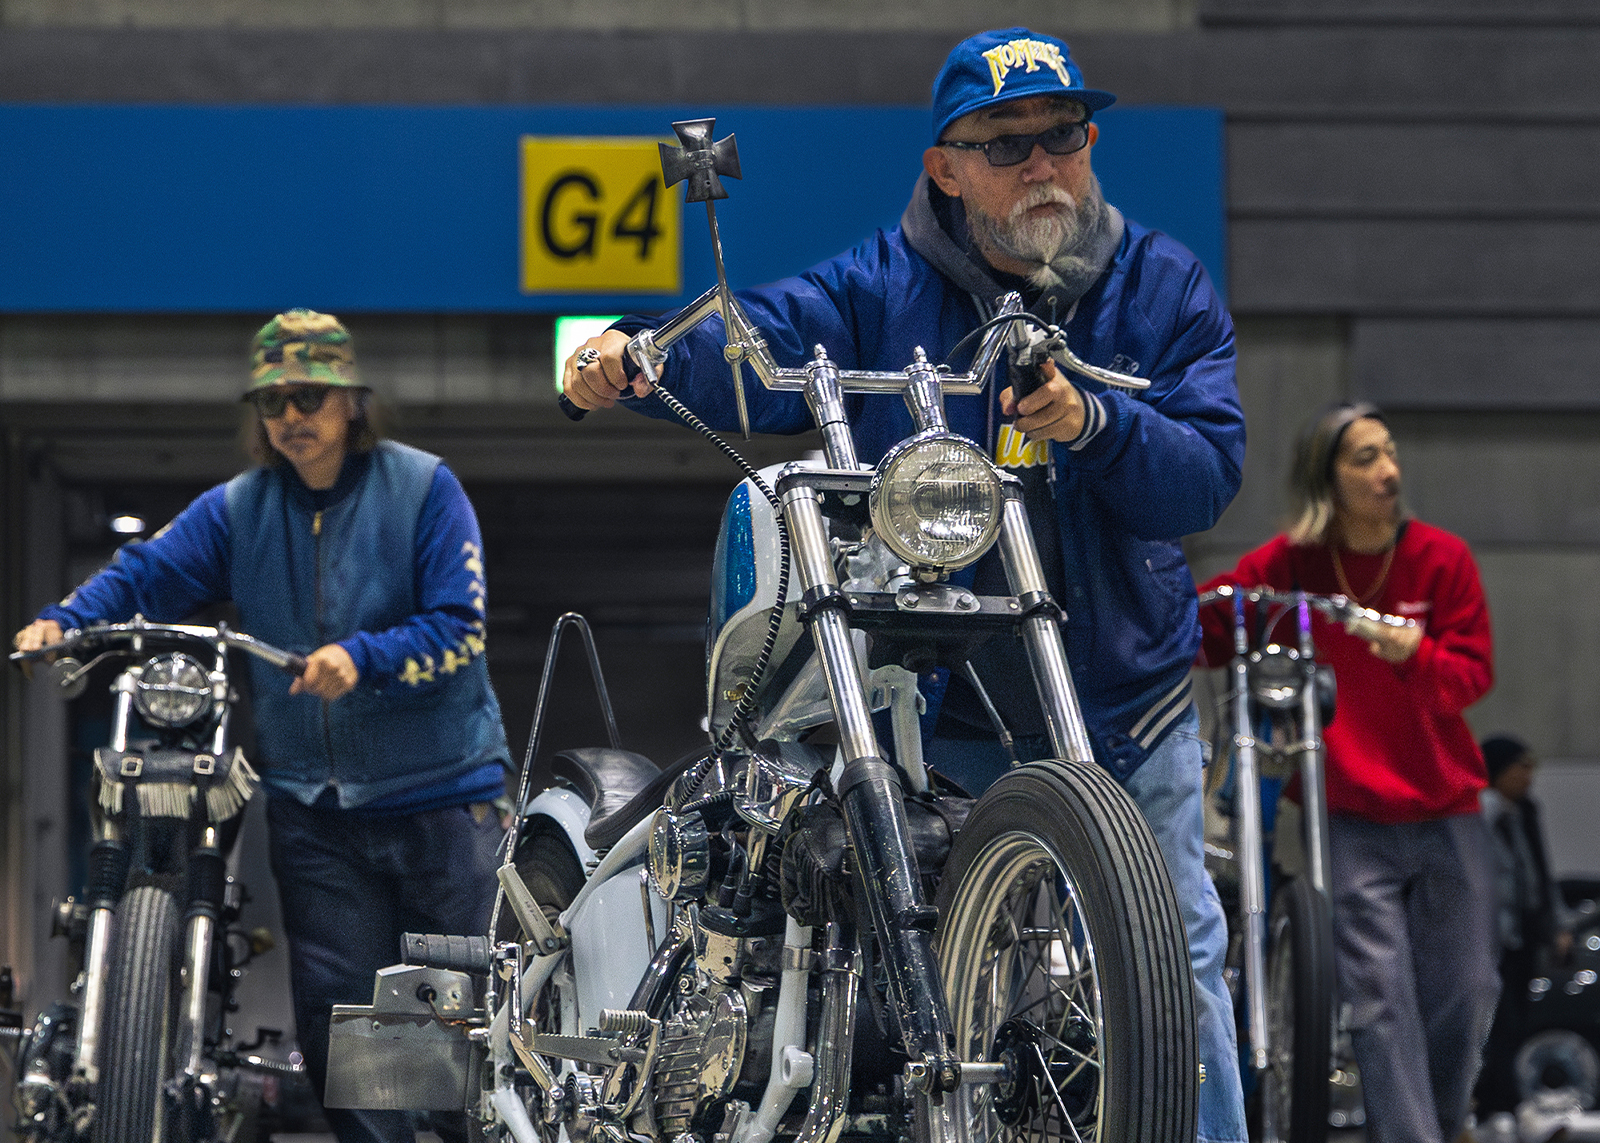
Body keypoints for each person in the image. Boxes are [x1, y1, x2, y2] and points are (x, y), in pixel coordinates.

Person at [564, 27, 1249, 1143]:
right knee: (928, 981)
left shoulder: (1159, 284)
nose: (1043, 163)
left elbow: (1207, 473)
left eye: (1064, 135)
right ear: (946, 167)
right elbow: (760, 336)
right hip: (946, 708)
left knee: (1172, 965)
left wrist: (1095, 420)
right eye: (1006, 144)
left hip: (1124, 701)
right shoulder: (881, 286)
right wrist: (637, 351)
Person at [12, 308, 511, 1143]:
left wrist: (361, 658)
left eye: (309, 395)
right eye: (272, 401)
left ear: (352, 400)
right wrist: (66, 620)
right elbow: (149, 572)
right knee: (349, 1028)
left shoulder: (425, 488)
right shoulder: (240, 509)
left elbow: (461, 629)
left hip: (439, 800)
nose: (290, 415)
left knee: (453, 1028)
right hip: (317, 811)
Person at [1197, 401, 1499, 1143]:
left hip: (1447, 809)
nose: (1388, 470)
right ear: (1325, 477)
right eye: (1365, 457)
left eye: (1390, 452)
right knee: (1378, 999)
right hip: (1351, 819)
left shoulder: (1442, 558)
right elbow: (1214, 625)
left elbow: (1472, 676)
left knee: (1468, 990)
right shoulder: (1291, 567)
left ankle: (1440, 1124)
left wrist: (1417, 653)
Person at [1475, 733, 1574, 1115]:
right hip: (1487, 942)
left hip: (1520, 938)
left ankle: (1504, 1100)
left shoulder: (1525, 814)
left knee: (1515, 1022)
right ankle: (1494, 1103)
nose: (1528, 776)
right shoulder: (1480, 815)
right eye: (1522, 767)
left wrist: (1556, 926)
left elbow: (1540, 875)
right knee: (1494, 1024)